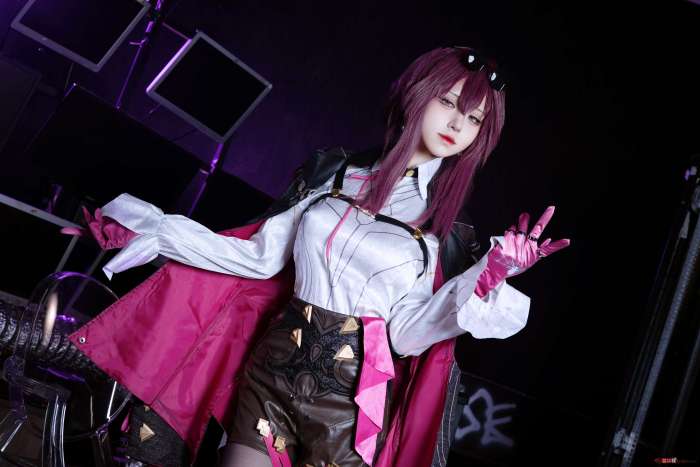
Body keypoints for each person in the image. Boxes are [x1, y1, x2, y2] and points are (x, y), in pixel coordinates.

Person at [62, 47, 570, 467]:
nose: (458, 124)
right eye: (449, 102)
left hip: (349, 406)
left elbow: (405, 335)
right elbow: (256, 258)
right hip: (273, 372)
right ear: (419, 93)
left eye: (474, 119)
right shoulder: (332, 173)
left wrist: (486, 278)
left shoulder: (447, 230)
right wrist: (145, 230)